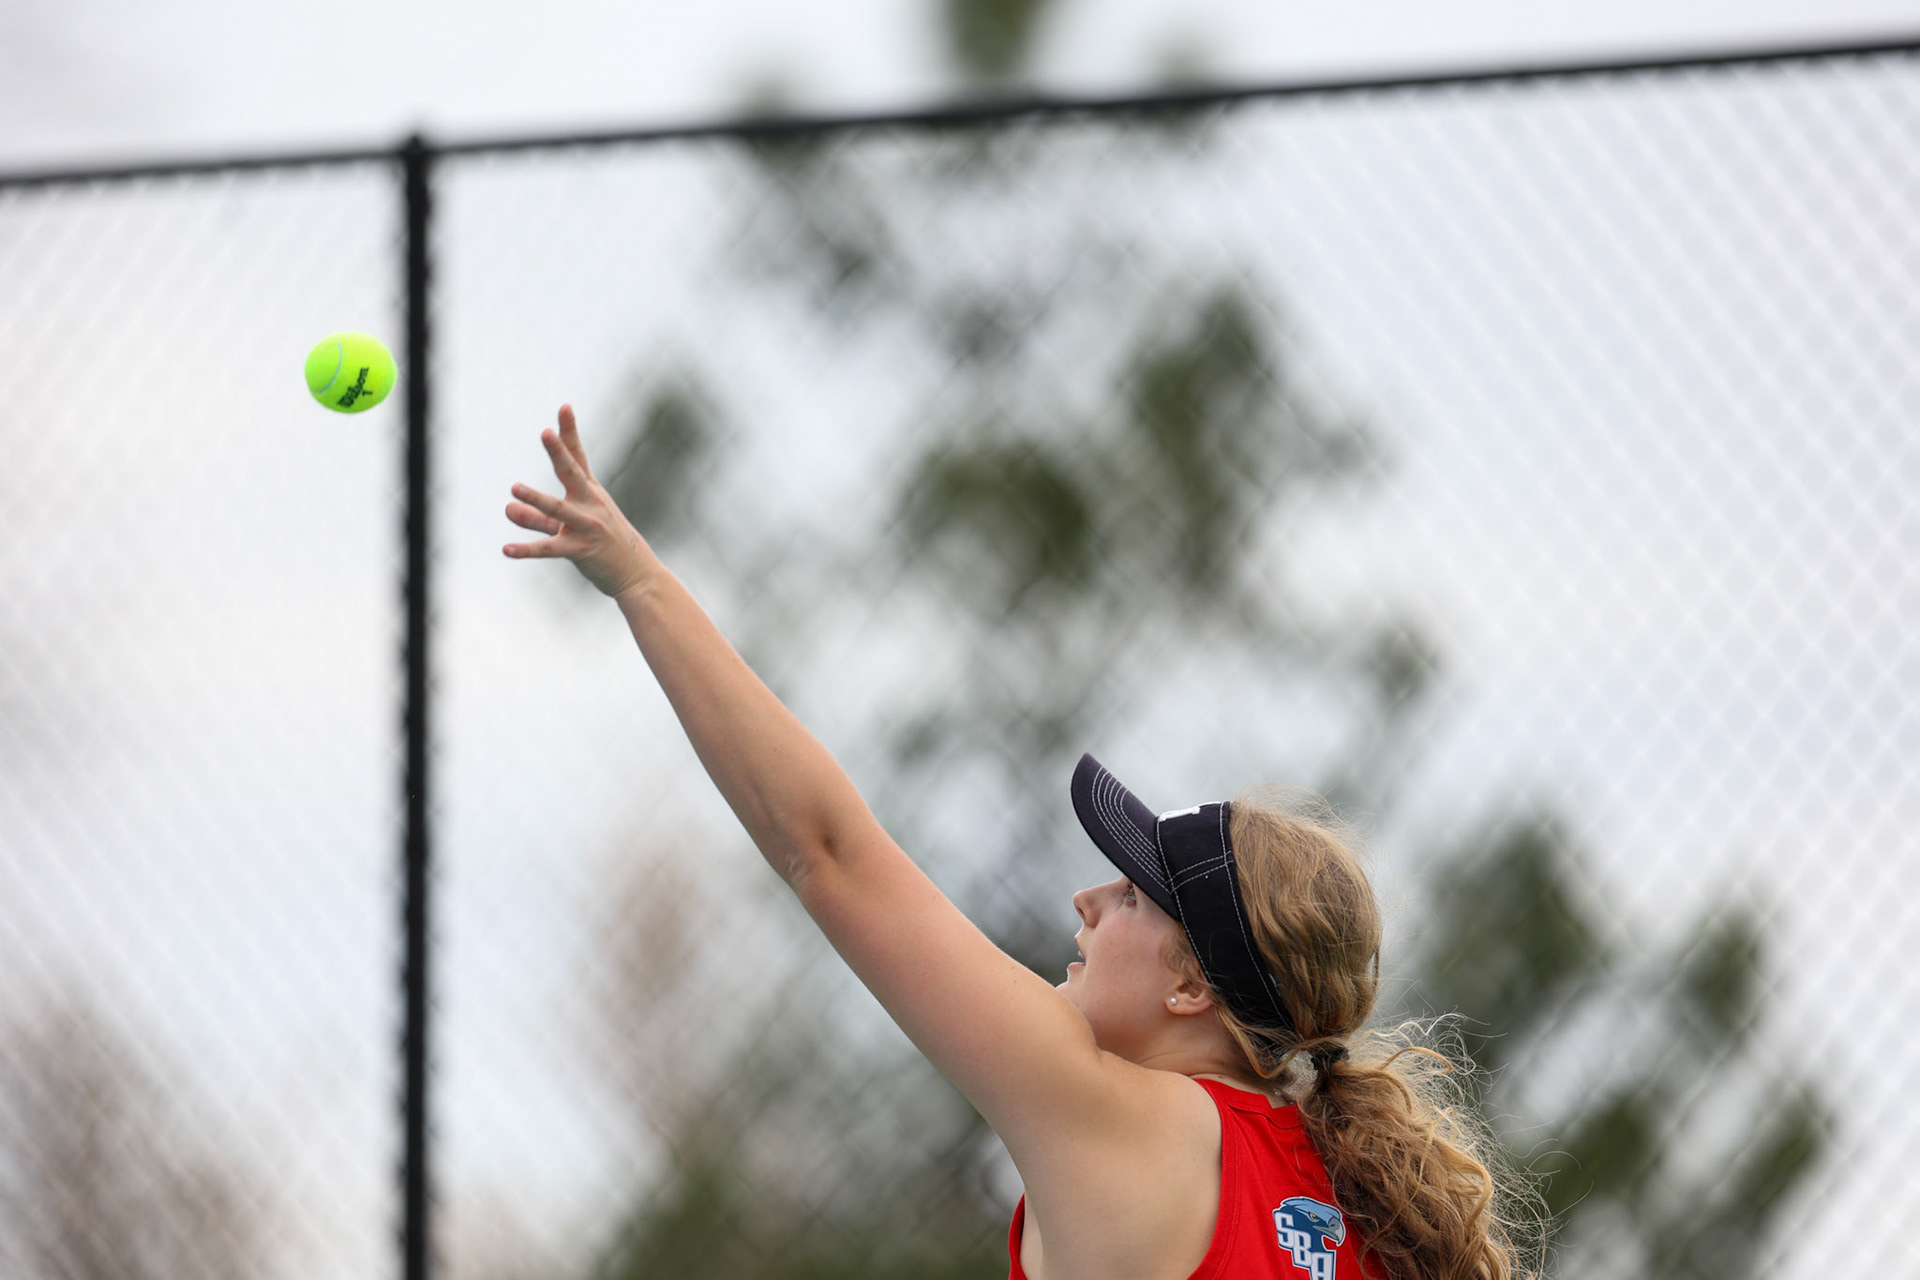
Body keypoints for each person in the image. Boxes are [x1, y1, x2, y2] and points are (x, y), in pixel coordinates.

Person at [503, 406, 1528, 1280]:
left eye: (1133, 895)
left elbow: (829, 850)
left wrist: (641, 584)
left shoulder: (1125, 1123)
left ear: (1192, 988)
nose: (1089, 900)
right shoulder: (1357, 1205)